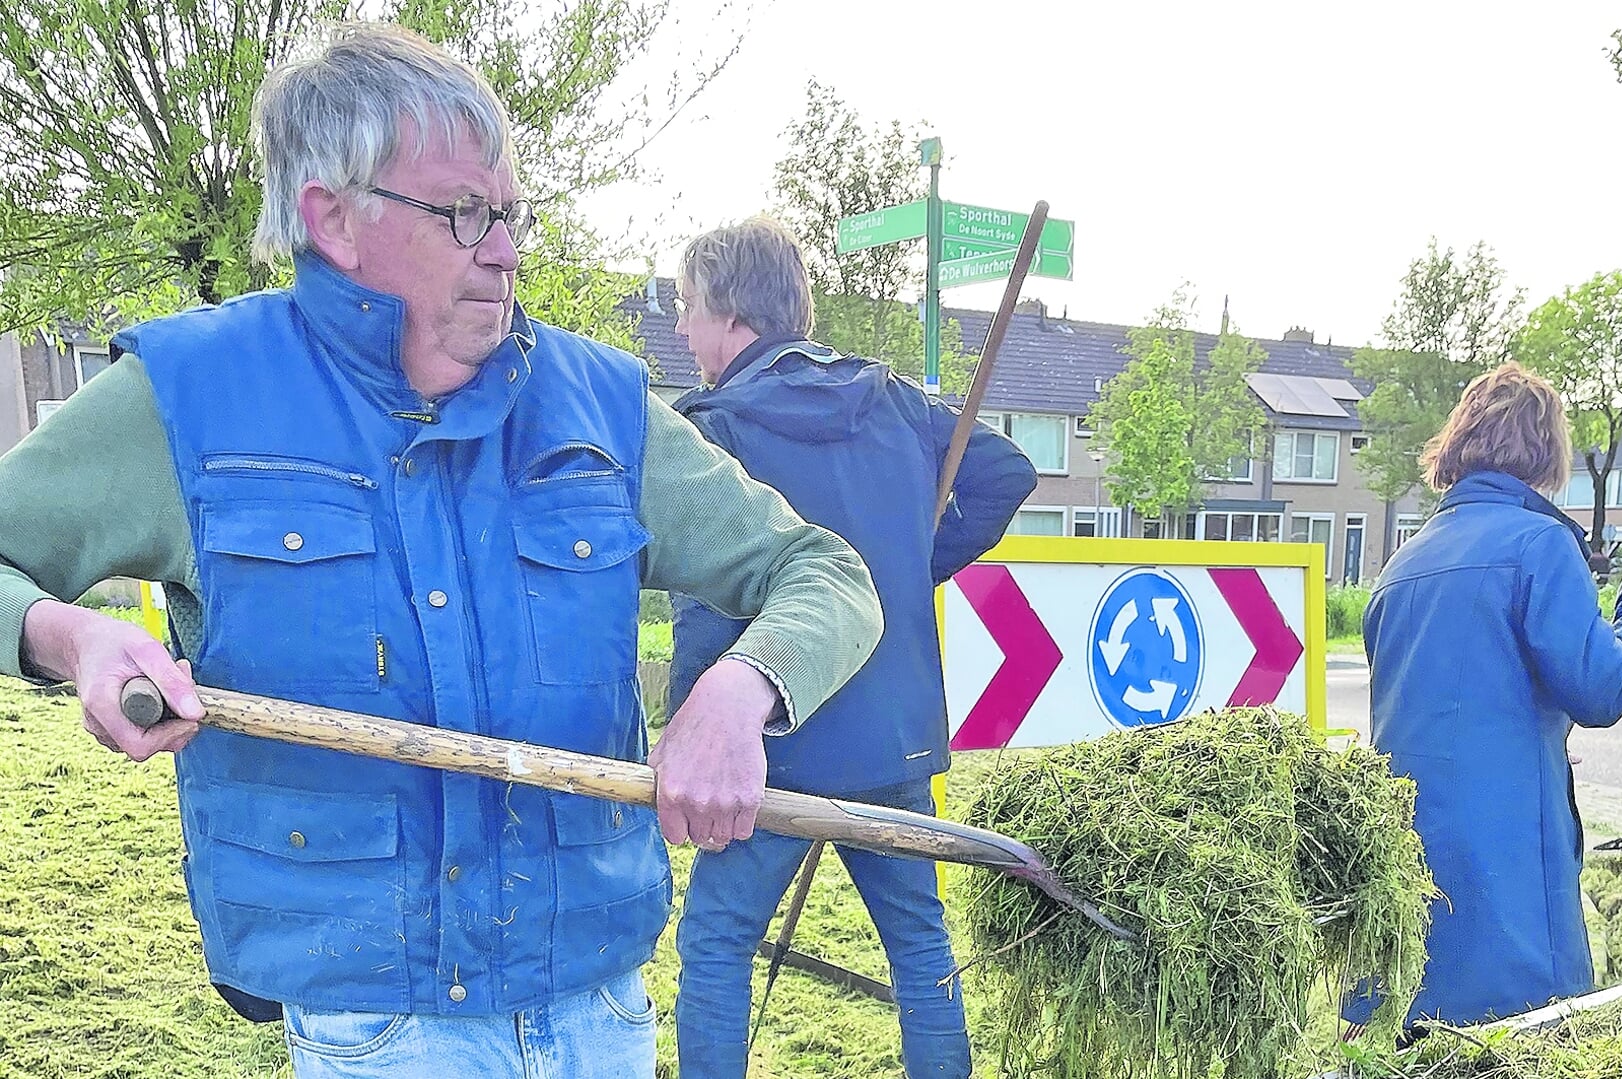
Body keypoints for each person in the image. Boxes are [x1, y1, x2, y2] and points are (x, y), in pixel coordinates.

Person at [0, 24, 882, 1078]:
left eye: (509, 212)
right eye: (466, 213)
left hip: (598, 1010)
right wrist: (70, 637)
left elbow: (825, 571)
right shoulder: (185, 399)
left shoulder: (601, 407)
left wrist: (744, 690)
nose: (505, 247)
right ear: (334, 216)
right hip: (372, 1028)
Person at [664, 218, 1036, 1079]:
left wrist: (694, 725)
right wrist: (911, 567)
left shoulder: (713, 426)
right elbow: (1005, 472)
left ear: (727, 311)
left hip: (773, 742)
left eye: (688, 307)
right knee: (917, 944)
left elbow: (700, 609)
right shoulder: (889, 398)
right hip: (890, 736)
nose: (682, 329)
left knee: (719, 943)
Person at [1353, 364, 1622, 1028]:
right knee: (1524, 1032)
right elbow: (1603, 688)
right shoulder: (1540, 545)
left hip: (1405, 844)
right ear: (1548, 452)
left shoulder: (1401, 564)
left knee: (1410, 1027)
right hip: (1506, 849)